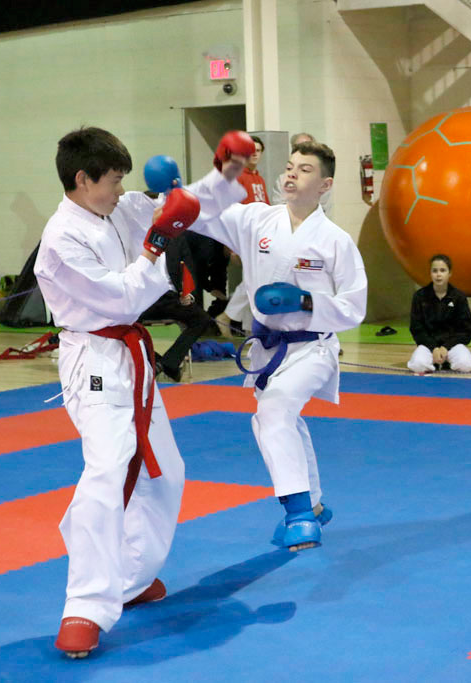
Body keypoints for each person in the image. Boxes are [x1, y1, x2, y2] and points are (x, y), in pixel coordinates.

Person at [34, 126, 225, 658]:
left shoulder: (116, 207)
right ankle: (84, 606)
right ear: (83, 179)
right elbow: (121, 301)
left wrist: (215, 178)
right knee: (107, 471)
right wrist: (155, 246)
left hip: (132, 359)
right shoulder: (61, 240)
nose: (122, 190)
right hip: (94, 360)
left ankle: (132, 575)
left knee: (167, 473)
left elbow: (175, 206)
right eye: (114, 180)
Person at [189, 138, 367, 552]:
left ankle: (299, 514)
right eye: (289, 166)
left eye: (305, 170)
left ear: (325, 185)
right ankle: (315, 504)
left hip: (312, 348)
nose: (291, 174)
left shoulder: (336, 240)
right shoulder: (255, 220)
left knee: (275, 410)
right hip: (267, 349)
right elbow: (203, 214)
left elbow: (353, 308)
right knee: (281, 419)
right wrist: (189, 187)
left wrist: (305, 301)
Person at [139, 210, 214, 382]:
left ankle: (168, 363)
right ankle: (156, 361)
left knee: (202, 319)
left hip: (172, 296)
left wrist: (188, 294)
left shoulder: (177, 238)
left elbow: (189, 268)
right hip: (144, 297)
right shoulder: (137, 236)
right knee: (123, 322)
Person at [216, 135, 272, 337]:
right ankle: (227, 315)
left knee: (256, 279)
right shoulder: (237, 177)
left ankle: (250, 329)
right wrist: (231, 244)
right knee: (255, 279)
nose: (255, 153)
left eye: (258, 150)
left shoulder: (259, 178)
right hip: (244, 236)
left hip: (260, 235)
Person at [408, 254, 471, 373]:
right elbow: (416, 328)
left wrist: (446, 347)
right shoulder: (420, 296)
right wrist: (434, 348)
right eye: (434, 271)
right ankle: (435, 363)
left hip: (453, 346)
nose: (438, 274)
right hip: (428, 346)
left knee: (466, 365)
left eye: (442, 270)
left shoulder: (458, 297)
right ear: (430, 273)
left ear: (450, 273)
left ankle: (447, 362)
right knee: (417, 365)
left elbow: (466, 329)